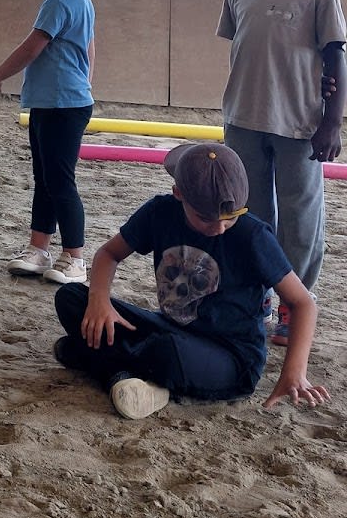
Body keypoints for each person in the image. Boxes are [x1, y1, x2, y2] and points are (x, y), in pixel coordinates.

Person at [53, 142, 328, 420]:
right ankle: (128, 373)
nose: (219, 228)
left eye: (231, 218)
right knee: (71, 298)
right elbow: (108, 254)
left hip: (231, 357)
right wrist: (99, 301)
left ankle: (103, 364)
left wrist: (294, 372)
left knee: (165, 351)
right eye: (206, 219)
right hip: (169, 328)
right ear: (179, 194)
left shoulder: (253, 236)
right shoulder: (160, 211)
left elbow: (303, 303)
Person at [218, 0, 346, 347]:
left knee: (301, 216)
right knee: (250, 213)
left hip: (301, 124)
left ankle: (296, 302)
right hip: (243, 118)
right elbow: (246, 49)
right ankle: (258, 297)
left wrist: (332, 122)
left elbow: (336, 57)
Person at [0, 0, 99, 285]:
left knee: (60, 182)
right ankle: (39, 249)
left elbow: (31, 47)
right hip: (57, 104)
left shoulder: (59, 3)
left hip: (61, 106)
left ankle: (75, 257)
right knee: (46, 179)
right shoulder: (83, 2)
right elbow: (89, 49)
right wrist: (86, 83)